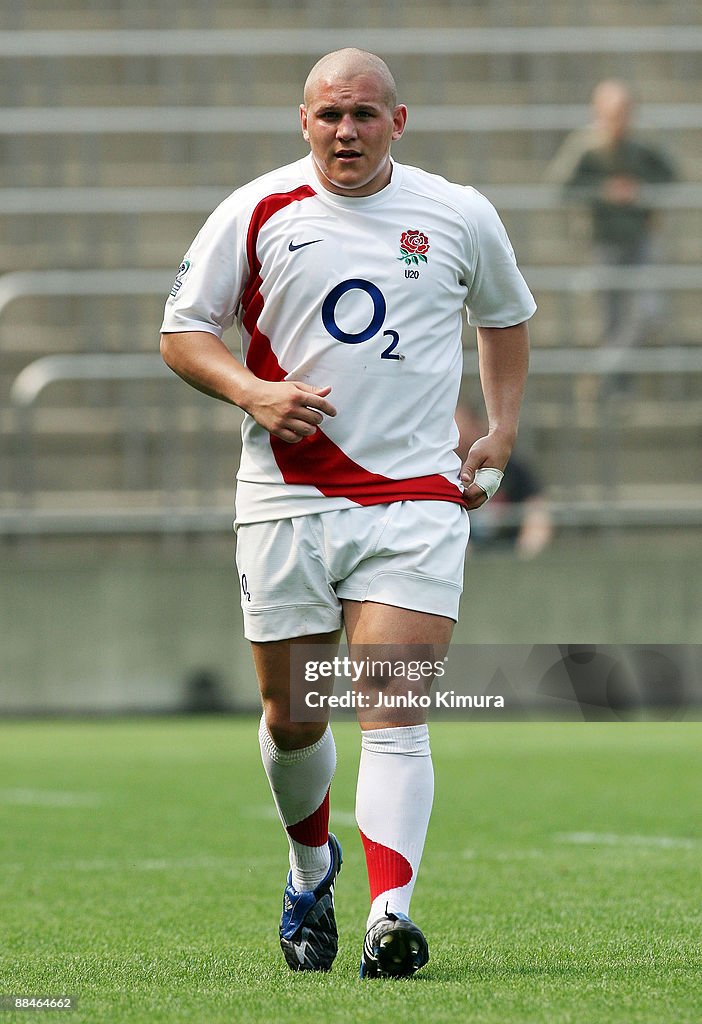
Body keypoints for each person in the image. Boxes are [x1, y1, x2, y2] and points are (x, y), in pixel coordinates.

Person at [160, 48, 535, 978]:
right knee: (294, 716)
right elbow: (181, 334)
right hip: (286, 497)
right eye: (330, 115)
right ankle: (308, 868)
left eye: (365, 115)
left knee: (393, 709)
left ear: (397, 122)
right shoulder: (255, 210)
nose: (346, 132)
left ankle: (390, 919)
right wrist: (253, 392)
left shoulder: (459, 213)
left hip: (413, 498)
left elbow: (505, 317)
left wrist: (501, 428)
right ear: (303, 121)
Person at [547, 80, 677, 379]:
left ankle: (602, 374)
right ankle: (613, 388)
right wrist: (604, 192)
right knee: (614, 319)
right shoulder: (587, 146)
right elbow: (561, 186)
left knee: (646, 312)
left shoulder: (642, 145)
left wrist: (642, 192)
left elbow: (670, 175)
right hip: (602, 241)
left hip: (639, 238)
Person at [455, 402, 553, 558]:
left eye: (459, 423)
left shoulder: (511, 467)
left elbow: (536, 507)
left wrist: (526, 551)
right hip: (468, 556)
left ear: (474, 424)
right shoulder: (446, 471)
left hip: (512, 551)